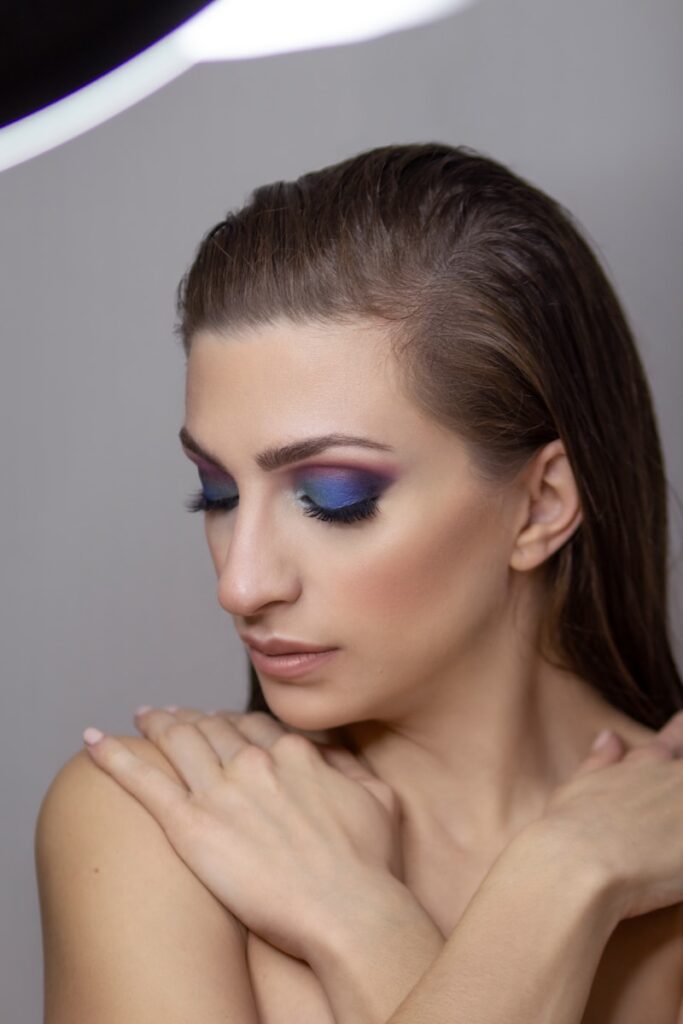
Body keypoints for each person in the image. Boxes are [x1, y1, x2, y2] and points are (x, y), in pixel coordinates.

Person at [36, 142, 683, 1023]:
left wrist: (364, 926)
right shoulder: (154, 824)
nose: (241, 584)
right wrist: (554, 881)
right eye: (217, 493)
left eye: (332, 498)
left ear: (540, 505)